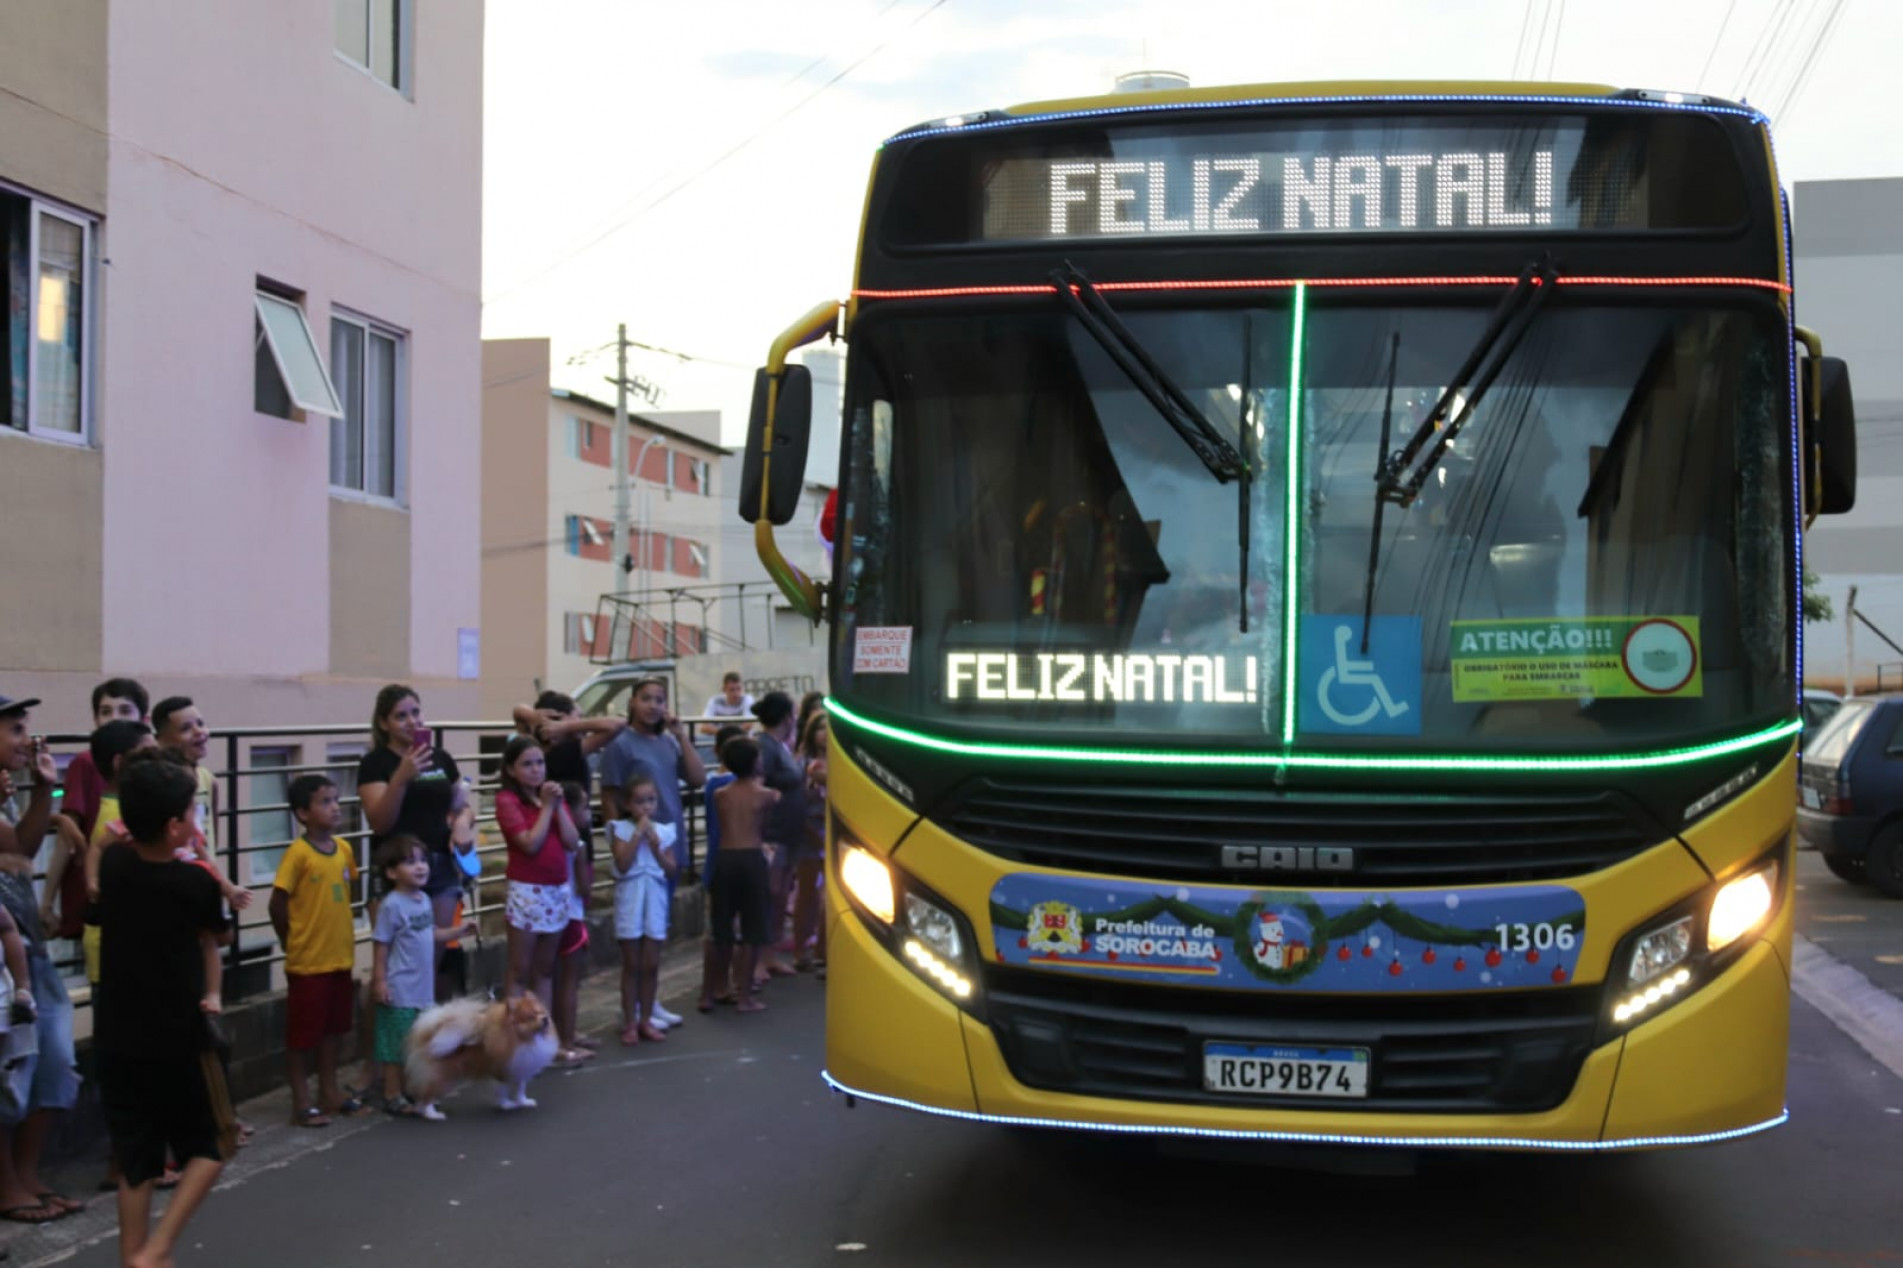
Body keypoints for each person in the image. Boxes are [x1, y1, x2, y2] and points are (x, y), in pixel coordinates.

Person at [93, 750, 234, 1268]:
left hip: (116, 1035)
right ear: (175, 825)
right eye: (192, 814)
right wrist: (207, 870)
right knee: (212, 1143)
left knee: (137, 1156)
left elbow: (109, 851)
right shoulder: (193, 883)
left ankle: (133, 1254)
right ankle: (157, 1247)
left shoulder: (115, 865)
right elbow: (220, 932)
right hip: (179, 1035)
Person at [0, 694, 81, 1224]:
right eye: (13, 730)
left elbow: (20, 855)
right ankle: (8, 1187)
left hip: (27, 944)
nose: (24, 740)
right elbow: (13, 857)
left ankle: (26, 1176)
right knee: (9, 1069)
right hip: (7, 957)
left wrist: (45, 789)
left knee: (54, 1062)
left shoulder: (7, 789)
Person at [597, 675, 702, 1028]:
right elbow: (609, 796)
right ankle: (634, 1010)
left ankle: (651, 1003)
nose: (654, 705)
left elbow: (698, 778)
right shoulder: (620, 746)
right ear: (632, 702)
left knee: (658, 930)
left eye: (660, 699)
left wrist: (681, 735)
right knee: (636, 936)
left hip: (665, 843)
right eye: (646, 698)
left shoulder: (669, 744)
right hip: (635, 849)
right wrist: (616, 841)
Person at [357, 685, 469, 993]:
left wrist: (462, 824)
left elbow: (462, 804)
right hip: (396, 867)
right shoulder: (375, 763)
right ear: (384, 723)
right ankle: (384, 1039)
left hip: (439, 864)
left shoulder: (441, 758)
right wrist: (402, 777)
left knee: (429, 963)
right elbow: (380, 822)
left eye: (416, 713)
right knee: (394, 968)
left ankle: (420, 1036)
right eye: (401, 716)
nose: (411, 721)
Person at [269, 774, 363, 1128]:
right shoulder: (297, 854)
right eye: (324, 801)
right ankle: (302, 1100)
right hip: (308, 962)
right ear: (302, 813)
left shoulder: (344, 849)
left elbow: (345, 891)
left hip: (339, 955)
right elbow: (278, 904)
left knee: (334, 1030)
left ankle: (329, 1090)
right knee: (302, 1035)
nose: (335, 807)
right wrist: (291, 941)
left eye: (336, 799)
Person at [371, 835, 473, 1121]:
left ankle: (413, 1091)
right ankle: (392, 1094)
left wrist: (458, 931)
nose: (420, 867)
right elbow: (381, 944)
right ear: (392, 873)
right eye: (410, 861)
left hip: (422, 989)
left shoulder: (424, 900)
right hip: (400, 988)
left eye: (422, 860)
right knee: (395, 1045)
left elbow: (431, 933)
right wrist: (380, 981)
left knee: (418, 1043)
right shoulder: (392, 905)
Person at [41, 678, 147, 946]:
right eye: (105, 711)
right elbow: (68, 833)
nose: (114, 719)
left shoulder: (151, 763)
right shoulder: (85, 763)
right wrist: (47, 900)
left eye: (124, 710)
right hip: (97, 885)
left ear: (142, 718)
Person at [495, 736, 578, 1011]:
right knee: (520, 969)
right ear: (510, 769)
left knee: (545, 968)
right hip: (527, 890)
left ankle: (542, 1034)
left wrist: (557, 807)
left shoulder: (551, 797)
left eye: (540, 762)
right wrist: (546, 809)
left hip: (556, 889)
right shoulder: (508, 800)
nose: (536, 769)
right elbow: (529, 844)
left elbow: (571, 841)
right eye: (527, 764)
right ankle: (512, 1036)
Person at [151, 697, 253, 916]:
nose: (199, 731)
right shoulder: (159, 783)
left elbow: (210, 836)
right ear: (161, 740)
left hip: (207, 878)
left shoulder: (208, 779)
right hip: (175, 884)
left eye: (201, 723)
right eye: (186, 728)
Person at [708, 738, 779, 1015]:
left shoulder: (720, 795)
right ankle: (745, 995)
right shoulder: (765, 795)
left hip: (725, 858)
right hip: (751, 857)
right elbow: (767, 824)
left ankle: (718, 986)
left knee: (722, 928)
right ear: (755, 762)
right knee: (753, 929)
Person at [610, 775, 677, 1044]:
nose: (646, 807)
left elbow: (671, 869)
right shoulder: (619, 829)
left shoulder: (664, 831)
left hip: (655, 899)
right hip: (631, 898)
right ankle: (629, 1020)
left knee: (651, 963)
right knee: (632, 963)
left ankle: (647, 1018)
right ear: (628, 805)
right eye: (639, 802)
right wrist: (638, 834)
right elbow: (623, 863)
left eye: (650, 801)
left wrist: (657, 847)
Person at [751, 692, 807, 983]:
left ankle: (770, 954)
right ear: (787, 716)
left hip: (789, 832)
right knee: (769, 894)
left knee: (780, 894)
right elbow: (758, 786)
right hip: (773, 833)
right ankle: (759, 958)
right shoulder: (766, 747)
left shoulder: (781, 746)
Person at [695, 725, 745, 1013]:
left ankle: (715, 987)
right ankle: (723, 985)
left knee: (718, 930)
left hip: (717, 862)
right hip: (728, 861)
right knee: (726, 931)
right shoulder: (730, 785)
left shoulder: (714, 783)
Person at [551, 781, 598, 1063]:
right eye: (585, 807)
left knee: (552, 978)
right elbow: (585, 886)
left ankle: (561, 1034)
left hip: (552, 914)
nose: (589, 813)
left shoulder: (551, 836)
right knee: (569, 981)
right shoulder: (576, 844)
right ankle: (566, 1040)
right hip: (571, 914)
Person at [792, 709, 830, 973]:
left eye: (829, 728)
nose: (825, 734)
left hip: (836, 833)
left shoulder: (846, 761)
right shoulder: (803, 762)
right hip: (810, 832)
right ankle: (799, 948)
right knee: (807, 894)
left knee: (832, 895)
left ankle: (824, 950)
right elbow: (798, 802)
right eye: (820, 728)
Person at [699, 672, 755, 741]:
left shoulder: (747, 700)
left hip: (743, 742)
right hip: (721, 743)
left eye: (739, 689)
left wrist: (726, 734)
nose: (736, 693)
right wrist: (727, 734)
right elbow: (704, 727)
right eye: (732, 690)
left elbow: (748, 725)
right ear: (724, 689)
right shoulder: (715, 701)